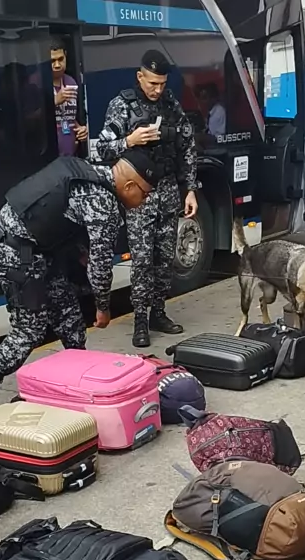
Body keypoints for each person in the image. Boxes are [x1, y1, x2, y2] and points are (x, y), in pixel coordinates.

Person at [0, 150, 159, 414]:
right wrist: (103, 307)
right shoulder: (104, 203)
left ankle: (78, 380)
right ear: (129, 186)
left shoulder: (88, 171)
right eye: (145, 194)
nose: (144, 200)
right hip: (12, 252)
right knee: (30, 329)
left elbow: (61, 219)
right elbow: (99, 267)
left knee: (69, 317)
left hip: (35, 250)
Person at [97, 49, 199, 348]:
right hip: (139, 195)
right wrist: (129, 141)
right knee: (142, 261)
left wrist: (190, 188)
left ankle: (159, 313)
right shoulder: (122, 105)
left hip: (168, 191)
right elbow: (101, 149)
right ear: (140, 77)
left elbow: (187, 144)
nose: (157, 89)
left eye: (162, 84)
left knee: (164, 258)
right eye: (153, 83)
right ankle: (140, 320)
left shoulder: (170, 103)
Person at [51, 37, 88, 157]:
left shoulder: (71, 82)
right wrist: (54, 101)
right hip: (48, 158)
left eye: (60, 59)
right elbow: (28, 120)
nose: (57, 65)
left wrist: (80, 129)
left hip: (70, 156)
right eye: (52, 61)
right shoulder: (36, 82)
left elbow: (68, 116)